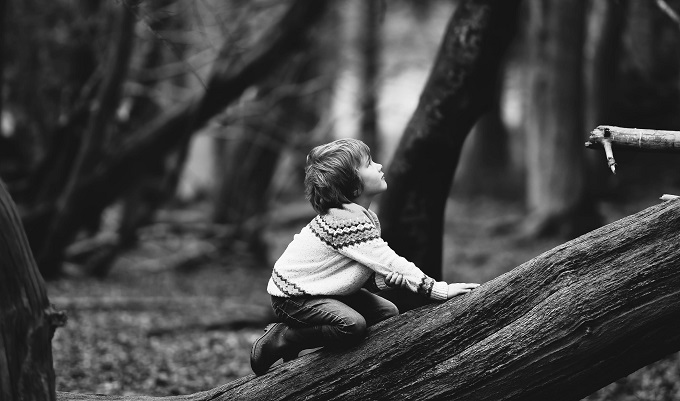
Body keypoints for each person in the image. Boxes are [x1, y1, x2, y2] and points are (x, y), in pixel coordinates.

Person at [250, 138, 479, 375]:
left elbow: (355, 267)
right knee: (352, 325)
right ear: (354, 187)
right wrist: (439, 290)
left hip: (322, 289)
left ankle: (348, 363)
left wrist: (384, 281)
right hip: (293, 298)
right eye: (369, 164)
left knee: (386, 313)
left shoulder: (363, 216)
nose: (379, 166)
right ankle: (284, 338)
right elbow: (390, 261)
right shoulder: (344, 222)